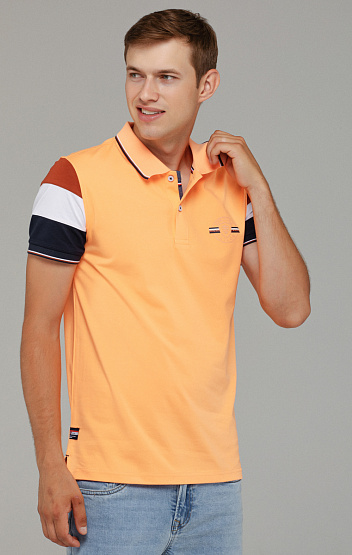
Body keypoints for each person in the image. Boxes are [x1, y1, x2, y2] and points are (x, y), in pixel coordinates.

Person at [20, 9, 310, 554]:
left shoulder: (231, 184)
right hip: (111, 484)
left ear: (207, 85)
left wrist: (260, 189)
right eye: (135, 74)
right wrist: (50, 466)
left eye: (166, 77)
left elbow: (290, 308)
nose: (145, 94)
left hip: (215, 485)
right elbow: (39, 328)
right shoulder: (74, 180)